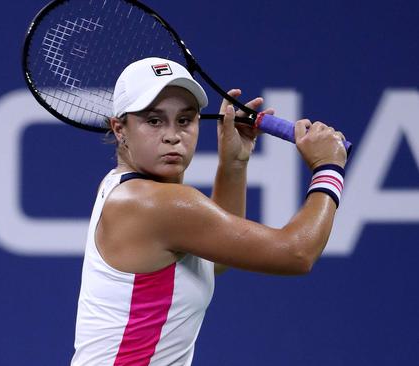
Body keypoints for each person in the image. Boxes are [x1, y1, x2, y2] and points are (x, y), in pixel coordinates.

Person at [70, 57, 347, 366]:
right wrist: (328, 167)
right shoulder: (153, 203)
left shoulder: (120, 187)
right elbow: (297, 253)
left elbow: (212, 262)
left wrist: (234, 164)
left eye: (185, 120)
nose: (172, 135)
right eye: (154, 121)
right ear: (120, 128)